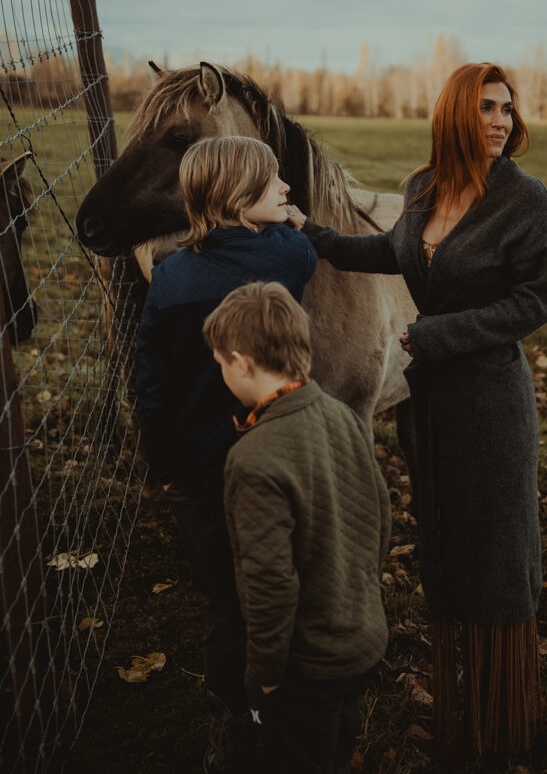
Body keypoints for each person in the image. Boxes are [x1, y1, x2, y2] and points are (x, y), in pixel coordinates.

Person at [287, 62, 547, 761]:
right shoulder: (422, 189)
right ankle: (455, 708)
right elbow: (387, 251)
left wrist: (436, 334)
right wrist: (310, 231)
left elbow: (535, 300)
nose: (499, 120)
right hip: (431, 398)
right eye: (484, 108)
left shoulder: (523, 201)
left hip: (490, 397)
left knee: (495, 553)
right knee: (442, 542)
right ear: (453, 117)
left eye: (506, 108)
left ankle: (503, 716)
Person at [135, 136, 317, 774]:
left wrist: (164, 461)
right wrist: (293, 221)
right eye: (274, 185)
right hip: (271, 462)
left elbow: (150, 378)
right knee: (279, 581)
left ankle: (234, 718)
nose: (287, 192)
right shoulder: (291, 255)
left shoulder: (172, 275)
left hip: (197, 470)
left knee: (222, 601)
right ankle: (285, 701)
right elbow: (299, 237)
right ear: (242, 198)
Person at [202, 280, 391, 774]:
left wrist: (264, 674)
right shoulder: (342, 415)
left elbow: (269, 583)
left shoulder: (253, 458)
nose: (222, 372)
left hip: (306, 666)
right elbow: (380, 513)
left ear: (242, 362)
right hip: (361, 639)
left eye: (221, 363)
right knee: (336, 746)